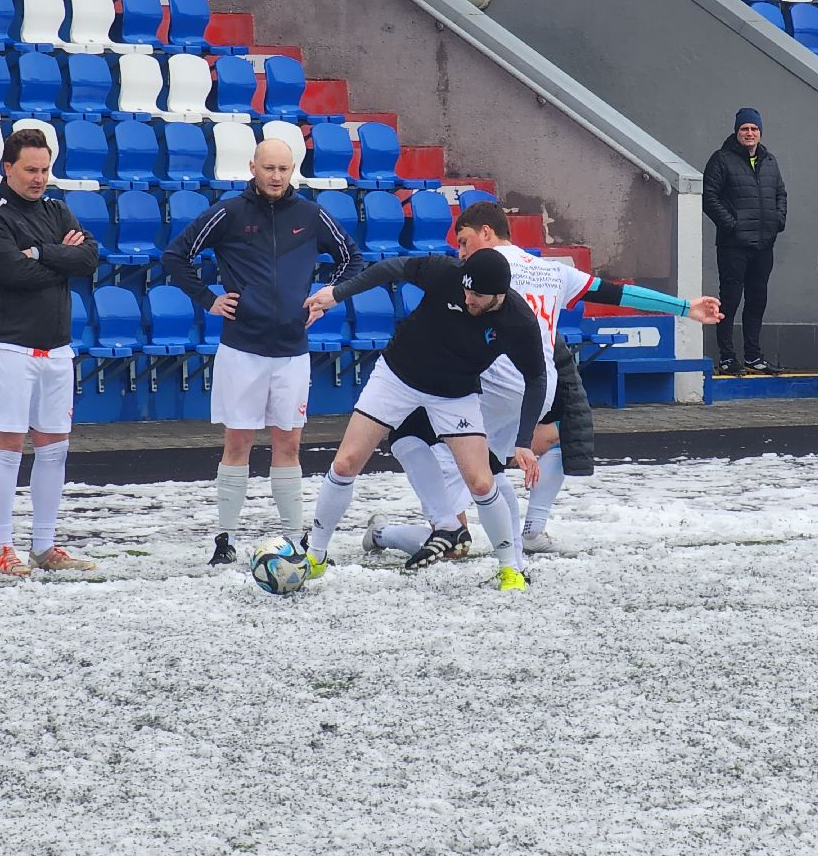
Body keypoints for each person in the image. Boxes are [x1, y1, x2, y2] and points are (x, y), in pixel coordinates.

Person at [365, 201, 722, 560]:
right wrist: (684, 308)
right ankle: (514, 545)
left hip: (490, 385)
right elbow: (616, 293)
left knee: (412, 443)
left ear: (486, 232)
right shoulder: (553, 271)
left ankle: (386, 533)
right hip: (537, 388)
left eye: (464, 240)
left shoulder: (474, 276)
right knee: (488, 470)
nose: (460, 250)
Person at [162, 139, 361, 565]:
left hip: (292, 349)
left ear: (294, 171)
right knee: (238, 441)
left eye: (283, 169)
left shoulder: (311, 215)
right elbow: (175, 255)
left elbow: (353, 259)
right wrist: (207, 298)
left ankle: (293, 540)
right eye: (268, 168)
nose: (275, 176)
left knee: (288, 443)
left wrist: (328, 295)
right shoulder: (229, 212)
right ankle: (225, 537)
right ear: (252, 166)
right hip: (242, 348)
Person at [302, 249, 546, 591]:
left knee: (480, 481)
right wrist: (336, 293)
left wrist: (523, 441)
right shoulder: (445, 272)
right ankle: (314, 557)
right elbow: (389, 268)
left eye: (477, 296)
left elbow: (536, 378)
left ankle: (510, 570)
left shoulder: (518, 321)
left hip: (455, 394)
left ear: (499, 295)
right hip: (397, 376)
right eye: (465, 290)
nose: (467, 299)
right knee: (345, 463)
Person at [0, 127, 101, 577]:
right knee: (8, 447)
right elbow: (13, 272)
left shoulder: (58, 209)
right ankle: (3, 547)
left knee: (53, 448)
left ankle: (45, 546)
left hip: (56, 345)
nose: (39, 178)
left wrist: (41, 252)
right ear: (8, 168)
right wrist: (58, 262)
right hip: (7, 345)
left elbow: (88, 260)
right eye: (30, 170)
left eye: (45, 169)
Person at [702, 107, 786, 376]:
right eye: (744, 129)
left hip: (763, 245)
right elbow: (709, 197)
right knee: (730, 301)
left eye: (754, 129)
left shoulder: (770, 161)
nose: (749, 133)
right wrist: (732, 225)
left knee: (757, 300)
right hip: (733, 246)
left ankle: (753, 355)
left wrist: (777, 221)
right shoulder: (721, 160)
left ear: (760, 132)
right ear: (736, 132)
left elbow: (780, 194)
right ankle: (727, 357)